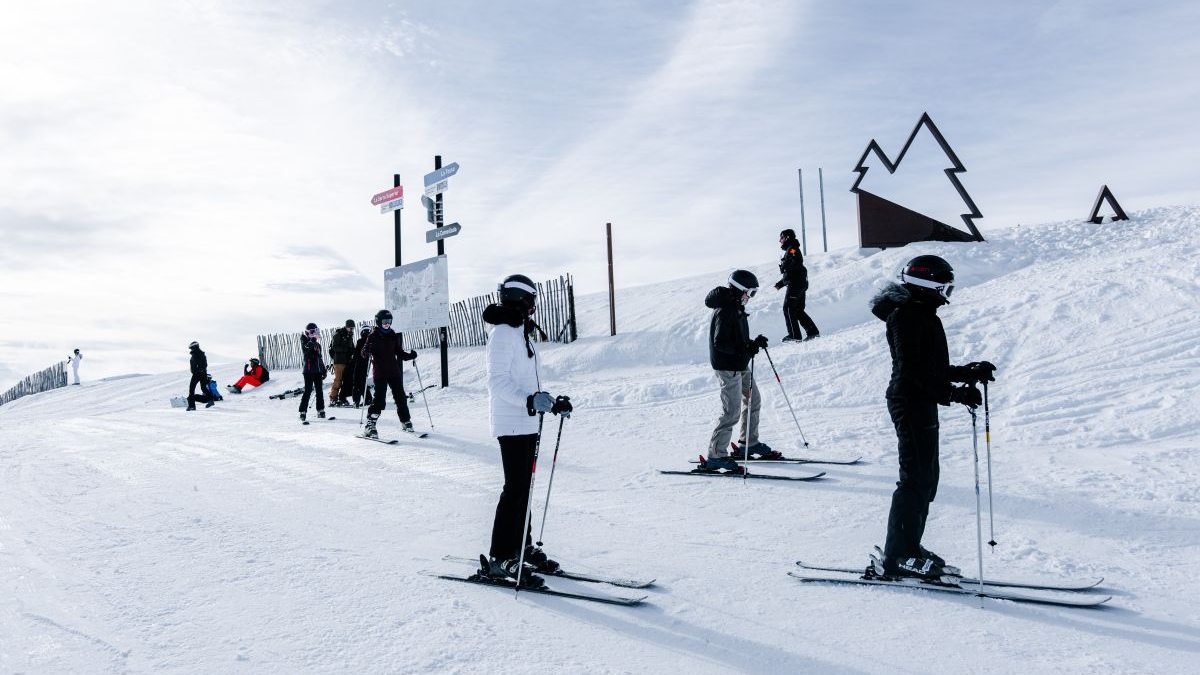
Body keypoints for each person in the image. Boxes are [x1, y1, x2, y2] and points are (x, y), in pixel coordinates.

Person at [868, 254, 995, 580]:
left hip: (919, 401)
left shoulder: (921, 313)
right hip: (909, 402)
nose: (947, 293)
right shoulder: (906, 317)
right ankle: (897, 555)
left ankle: (908, 546)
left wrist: (966, 373)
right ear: (928, 285)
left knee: (927, 479)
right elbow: (911, 372)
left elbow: (930, 369)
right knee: (914, 480)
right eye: (944, 286)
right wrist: (952, 393)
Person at [481, 274, 573, 588]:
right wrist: (530, 400)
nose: (534, 306)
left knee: (525, 488)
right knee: (515, 489)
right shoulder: (504, 333)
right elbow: (497, 382)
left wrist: (548, 401)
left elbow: (526, 381)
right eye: (531, 299)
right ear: (521, 299)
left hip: (528, 420)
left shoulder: (520, 331)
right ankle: (500, 557)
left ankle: (522, 545)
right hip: (511, 422)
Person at [697, 269, 778, 473]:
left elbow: (736, 340)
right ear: (739, 289)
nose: (750, 297)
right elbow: (721, 343)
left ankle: (748, 443)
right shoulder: (726, 310)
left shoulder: (735, 306)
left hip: (740, 365)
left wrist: (752, 344)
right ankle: (716, 455)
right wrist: (745, 349)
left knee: (753, 401)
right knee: (731, 411)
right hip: (728, 367)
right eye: (750, 293)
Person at [361, 310, 418, 438]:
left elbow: (400, 353)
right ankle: (370, 426)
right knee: (379, 401)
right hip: (380, 373)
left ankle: (405, 421)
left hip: (394, 371)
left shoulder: (393, 335)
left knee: (401, 398)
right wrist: (367, 350)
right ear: (378, 322)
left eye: (389, 321)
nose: (387, 324)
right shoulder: (372, 337)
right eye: (384, 321)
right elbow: (363, 353)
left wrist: (411, 356)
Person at [773, 229, 820, 342]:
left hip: (796, 284)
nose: (780, 240)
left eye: (782, 237)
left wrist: (787, 264)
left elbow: (795, 262)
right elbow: (792, 271)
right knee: (797, 310)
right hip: (799, 283)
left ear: (787, 237)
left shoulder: (792, 249)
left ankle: (794, 335)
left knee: (788, 308)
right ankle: (812, 332)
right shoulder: (791, 249)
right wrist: (780, 284)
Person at [298, 323, 327, 423]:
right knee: (308, 390)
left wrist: (323, 369)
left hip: (318, 371)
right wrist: (312, 341)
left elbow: (320, 358)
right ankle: (302, 411)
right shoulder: (305, 341)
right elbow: (306, 354)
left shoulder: (318, 345)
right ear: (307, 333)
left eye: (315, 332)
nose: (314, 334)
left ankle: (320, 410)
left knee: (319, 391)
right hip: (309, 371)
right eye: (312, 332)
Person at [328, 319, 356, 406]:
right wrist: (346, 349)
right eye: (350, 328)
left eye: (353, 328)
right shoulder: (339, 334)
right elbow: (334, 347)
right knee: (338, 380)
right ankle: (333, 398)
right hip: (339, 361)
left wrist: (353, 351)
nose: (352, 330)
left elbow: (351, 347)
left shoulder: (350, 335)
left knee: (346, 381)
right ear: (346, 327)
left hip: (347, 361)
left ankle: (342, 398)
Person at [350, 327, 374, 408]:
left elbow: (356, 354)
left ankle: (356, 401)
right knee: (363, 381)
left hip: (359, 364)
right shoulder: (371, 341)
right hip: (367, 364)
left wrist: (352, 360)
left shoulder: (360, 341)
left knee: (356, 382)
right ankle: (368, 399)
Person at [186, 342, 211, 410]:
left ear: (194, 347)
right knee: (203, 388)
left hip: (197, 374)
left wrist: (196, 371)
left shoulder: (195, 354)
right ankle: (211, 400)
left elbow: (198, 365)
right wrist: (202, 370)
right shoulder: (202, 354)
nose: (190, 349)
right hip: (203, 373)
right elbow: (205, 364)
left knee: (191, 389)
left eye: (191, 348)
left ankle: (192, 406)